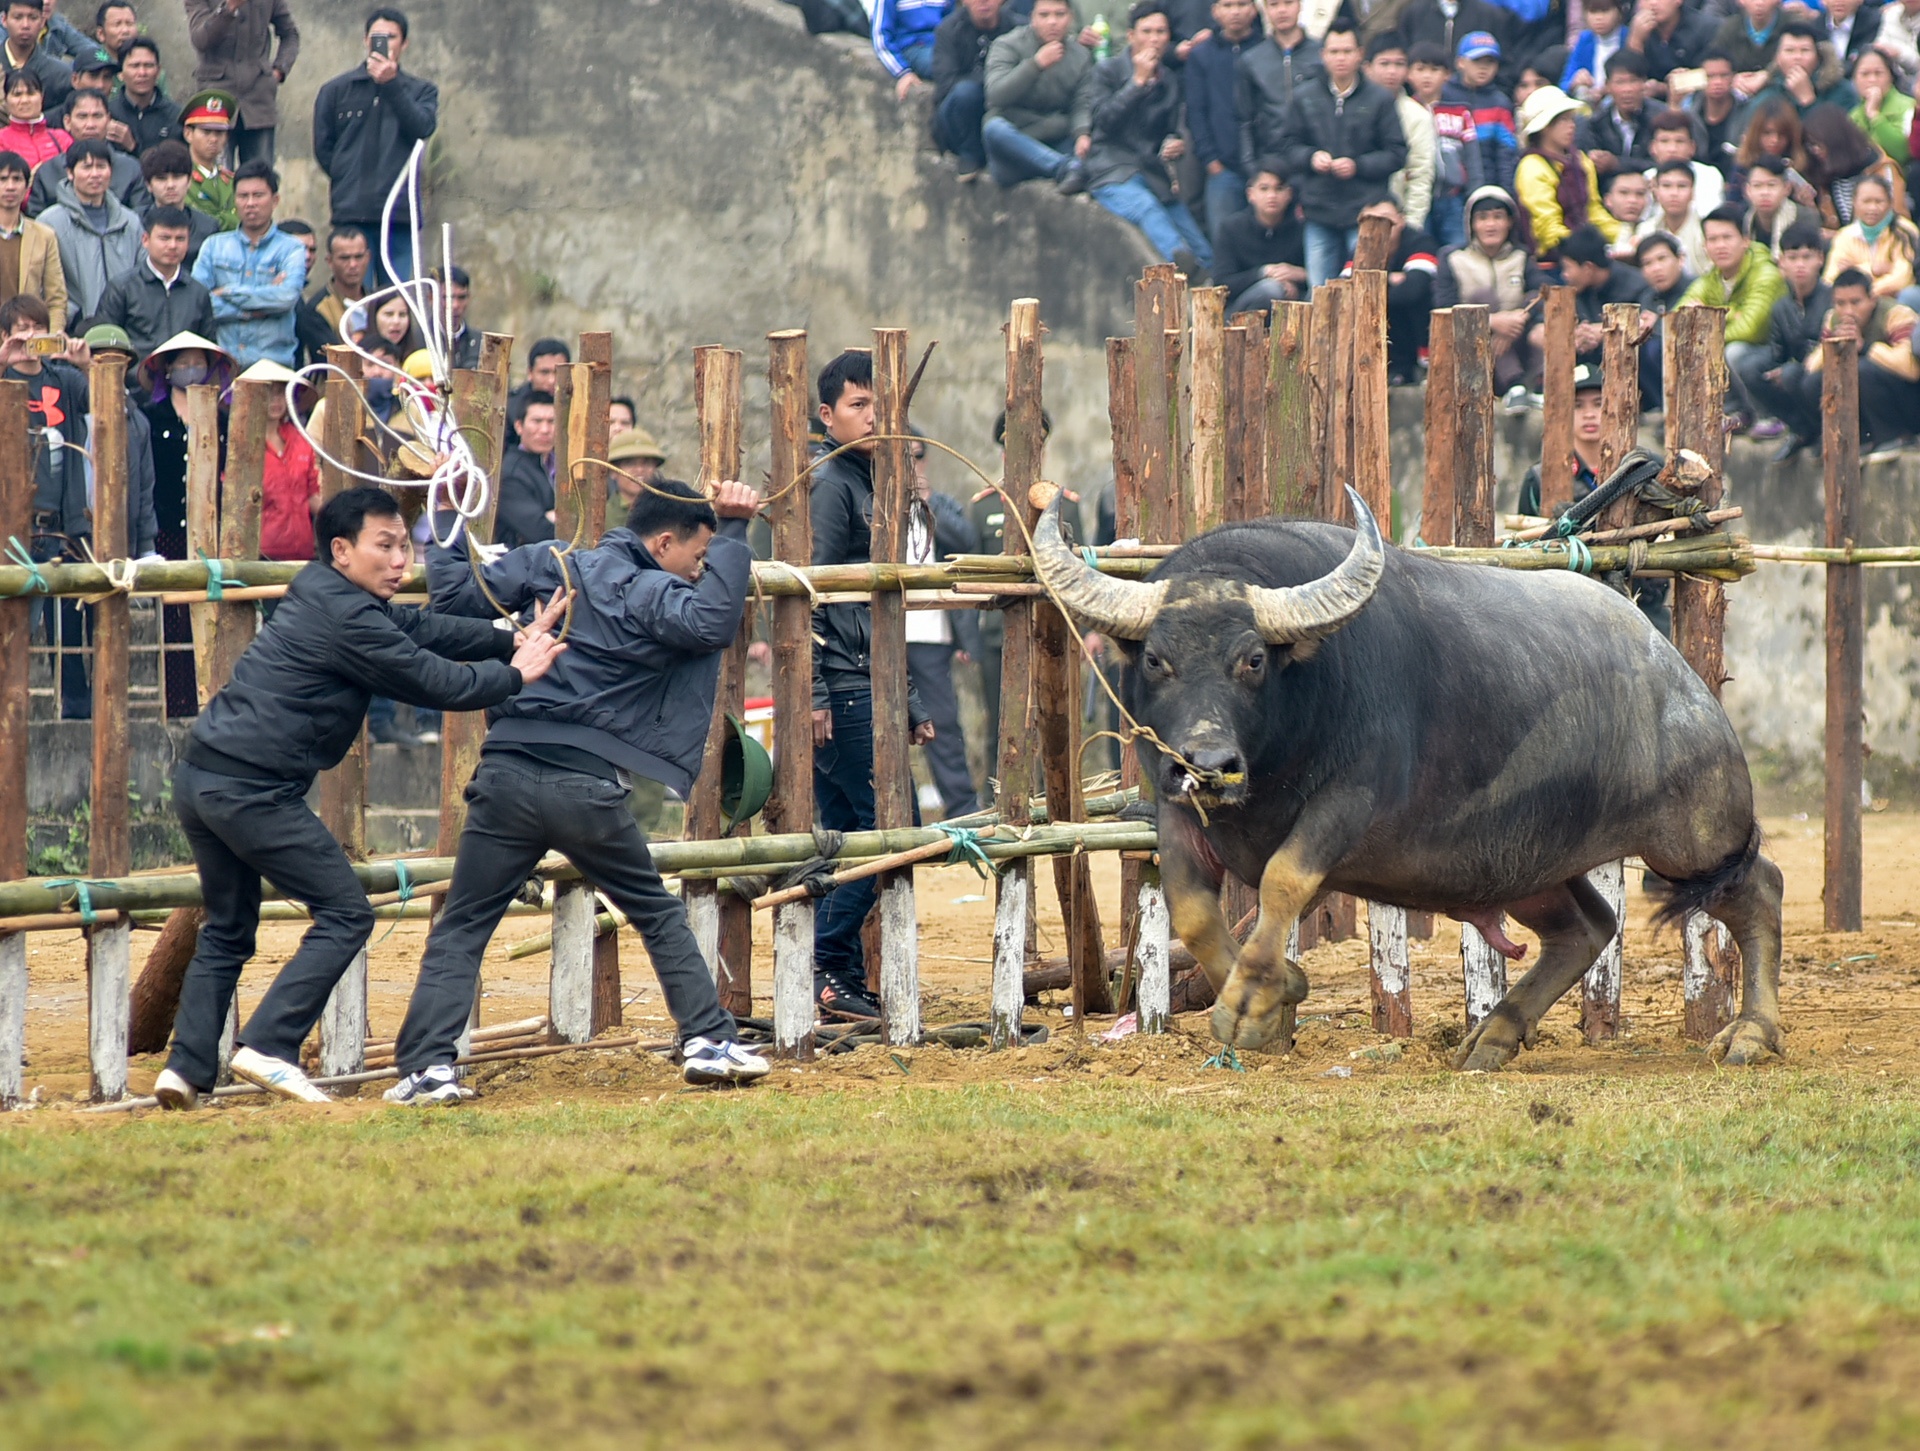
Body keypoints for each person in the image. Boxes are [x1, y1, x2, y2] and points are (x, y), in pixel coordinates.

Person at [146, 488, 569, 1110]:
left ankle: (183, 1071)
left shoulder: (325, 591)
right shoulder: (350, 620)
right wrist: (516, 672)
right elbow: (433, 680)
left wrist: (510, 637)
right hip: (253, 791)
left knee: (229, 927)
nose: (401, 561)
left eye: (405, 546)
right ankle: (269, 1044)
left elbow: (422, 628)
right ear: (341, 550)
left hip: (202, 778)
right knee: (346, 913)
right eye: (385, 546)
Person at [389, 478, 772, 1101]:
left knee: (462, 926)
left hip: (505, 773)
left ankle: (426, 1070)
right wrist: (733, 528)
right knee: (656, 913)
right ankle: (707, 1040)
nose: (700, 571)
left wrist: (450, 515)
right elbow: (711, 623)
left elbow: (455, 594)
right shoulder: (649, 589)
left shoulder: (551, 562)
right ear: (663, 543)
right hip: (586, 787)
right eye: (698, 556)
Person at [809, 349, 933, 1022]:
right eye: (859, 405)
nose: (873, 417)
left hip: (865, 679)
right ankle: (828, 961)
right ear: (827, 415)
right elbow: (809, 592)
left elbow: (884, 608)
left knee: (851, 832)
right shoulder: (832, 483)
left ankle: (838, 979)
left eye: (882, 405)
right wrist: (813, 695)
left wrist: (906, 699)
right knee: (894, 825)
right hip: (844, 685)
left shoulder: (873, 480)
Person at [1516, 365, 1670, 635]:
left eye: (1599, 403)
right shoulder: (1541, 479)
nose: (1589, 414)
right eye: (1577, 406)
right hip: (1567, 615)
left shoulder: (1648, 469)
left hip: (1645, 610)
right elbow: (1525, 555)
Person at [3, 293, 90, 713]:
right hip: (9, 527)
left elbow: (112, 409)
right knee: (10, 622)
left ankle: (74, 709)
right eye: (22, 329)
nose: (30, 337)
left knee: (67, 626)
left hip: (59, 523)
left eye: (38, 328)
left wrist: (86, 365)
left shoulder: (65, 380)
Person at [1083, 2, 1214, 275]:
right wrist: (1137, 83)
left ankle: (1207, 280)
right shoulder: (1108, 70)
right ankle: (1182, 267)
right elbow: (1103, 122)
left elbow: (1169, 129)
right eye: (1147, 31)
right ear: (1131, 35)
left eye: (1161, 32)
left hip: (1152, 173)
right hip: (1112, 169)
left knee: (1203, 250)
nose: (1154, 39)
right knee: (1147, 209)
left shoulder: (1169, 80)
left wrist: (1174, 141)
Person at [313, 8, 437, 285]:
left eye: (391, 37)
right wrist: (347, 174)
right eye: (377, 36)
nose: (384, 43)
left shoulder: (421, 91)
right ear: (366, 40)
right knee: (357, 294)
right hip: (352, 211)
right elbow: (324, 147)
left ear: (404, 43)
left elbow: (423, 128)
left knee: (397, 296)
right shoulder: (336, 90)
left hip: (399, 214)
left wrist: (391, 84)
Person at [1279, 16, 1407, 286]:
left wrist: (1358, 166)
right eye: (1334, 51)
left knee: (1363, 289)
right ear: (1323, 54)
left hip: (1365, 210)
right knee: (1319, 290)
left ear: (1360, 54)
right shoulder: (1304, 96)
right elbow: (1287, 146)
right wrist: (1311, 158)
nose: (1341, 58)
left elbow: (1396, 153)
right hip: (1318, 209)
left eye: (1347, 51)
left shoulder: (1380, 99)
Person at [904, 437, 981, 819]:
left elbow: (968, 541)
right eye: (904, 457)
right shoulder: (871, 503)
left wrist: (926, 501)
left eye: (917, 456)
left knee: (943, 724)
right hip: (878, 635)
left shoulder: (942, 504)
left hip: (932, 636)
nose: (912, 464)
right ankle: (899, 813)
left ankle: (962, 809)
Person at [1681, 204, 1787, 427]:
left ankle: (1766, 417)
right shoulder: (1713, 277)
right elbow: (1678, 315)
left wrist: (1711, 320)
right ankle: (1730, 412)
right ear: (1705, 246)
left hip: (1774, 352)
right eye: (1713, 239)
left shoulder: (1765, 273)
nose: (1720, 245)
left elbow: (1751, 329)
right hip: (1740, 348)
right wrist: (1729, 315)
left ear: (1745, 240)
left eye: (1727, 237)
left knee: (1733, 351)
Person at [190, 157, 302, 367]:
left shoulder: (291, 248)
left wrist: (226, 292)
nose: (250, 203)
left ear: (275, 200)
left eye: (258, 195)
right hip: (223, 366)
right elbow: (197, 303)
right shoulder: (213, 246)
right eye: (243, 196)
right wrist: (255, 306)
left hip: (273, 366)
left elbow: (286, 297)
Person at [1434, 183, 1545, 391]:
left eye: (1498, 217)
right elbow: (1444, 308)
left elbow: (1542, 292)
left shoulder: (1521, 257)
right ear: (1471, 223)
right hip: (1470, 347)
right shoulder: (1454, 259)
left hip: (1515, 338)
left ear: (1510, 222)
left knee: (1541, 326)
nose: (1490, 225)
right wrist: (1492, 322)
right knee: (1482, 297)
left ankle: (1539, 386)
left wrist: (1518, 318)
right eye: (1483, 218)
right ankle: (1514, 385)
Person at [1734, 219, 1829, 455]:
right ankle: (1800, 428)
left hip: (1823, 373)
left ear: (1820, 258)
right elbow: (1778, 352)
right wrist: (1776, 369)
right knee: (1750, 368)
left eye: (1807, 257)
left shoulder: (1832, 298)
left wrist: (1792, 368)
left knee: (1791, 375)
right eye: (1793, 258)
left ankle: (1822, 430)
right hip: (1794, 371)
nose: (1800, 265)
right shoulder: (1782, 307)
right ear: (1782, 262)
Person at [1803, 266, 1920, 454]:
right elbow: (1811, 367)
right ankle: (1859, 439)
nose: (1848, 311)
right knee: (1813, 382)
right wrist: (1835, 345)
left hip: (1906, 397)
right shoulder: (1833, 318)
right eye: (1840, 303)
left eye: (1856, 302)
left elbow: (1910, 369)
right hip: (1868, 398)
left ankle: (1895, 436)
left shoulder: (1896, 314)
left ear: (1872, 299)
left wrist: (1864, 347)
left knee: (1862, 369)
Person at [981, 0, 1094, 190]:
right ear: (1032, 18)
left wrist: (1082, 133)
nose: (1052, 22)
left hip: (1055, 137)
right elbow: (996, 95)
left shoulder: (1080, 55)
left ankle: (1065, 167)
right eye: (1044, 15)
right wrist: (1035, 65)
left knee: (1090, 144)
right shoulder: (1007, 44)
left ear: (1070, 18)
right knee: (993, 128)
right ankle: (1062, 167)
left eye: (1060, 14)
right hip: (1016, 138)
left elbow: (1082, 102)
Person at [89, 203, 214, 360]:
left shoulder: (198, 292)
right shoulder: (122, 288)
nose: (173, 246)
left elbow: (208, 348)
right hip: (134, 374)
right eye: (164, 238)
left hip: (184, 373)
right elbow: (104, 347)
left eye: (180, 239)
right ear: (145, 240)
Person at [1515, 84, 1625, 260]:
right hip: (1552, 261)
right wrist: (1582, 249)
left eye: (1571, 119)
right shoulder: (1532, 166)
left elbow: (1593, 210)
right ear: (1545, 127)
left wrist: (1623, 236)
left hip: (1585, 256)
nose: (1572, 126)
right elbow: (1547, 227)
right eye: (1563, 120)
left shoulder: (1581, 160)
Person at [184, 0, 297, 166]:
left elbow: (290, 34)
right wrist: (229, 8)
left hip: (259, 103)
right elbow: (200, 40)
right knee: (216, 175)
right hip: (216, 102)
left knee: (260, 175)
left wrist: (279, 70)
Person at [1186, 0, 1262, 234]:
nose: (1235, 12)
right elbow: (1196, 110)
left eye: (1242, 4)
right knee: (1223, 237)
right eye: (1227, 5)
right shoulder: (1201, 54)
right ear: (1215, 11)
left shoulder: (1266, 49)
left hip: (1264, 166)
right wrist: (1210, 160)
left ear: (1254, 9)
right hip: (1222, 166)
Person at [1235, 0, 1322, 204]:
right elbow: (1244, 118)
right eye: (1274, 4)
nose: (1282, 10)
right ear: (1265, 9)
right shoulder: (1252, 60)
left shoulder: (1321, 54)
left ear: (1300, 5)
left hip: (1314, 159)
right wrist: (1251, 167)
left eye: (1288, 2)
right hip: (1270, 161)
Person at [42, 136, 136, 324]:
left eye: (101, 167)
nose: (95, 174)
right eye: (87, 167)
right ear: (70, 173)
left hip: (126, 326)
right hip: (74, 326)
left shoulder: (130, 222)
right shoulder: (50, 223)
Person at [1351, 196, 1438, 381]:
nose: (1378, 227)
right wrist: (1389, 279)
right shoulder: (1359, 248)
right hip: (1375, 330)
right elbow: (1346, 291)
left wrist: (1373, 287)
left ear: (1401, 219)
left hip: (1416, 325)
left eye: (1385, 219)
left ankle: (1421, 365)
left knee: (1410, 302)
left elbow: (1413, 290)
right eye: (1369, 221)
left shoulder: (1420, 242)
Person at [244, 355, 319, 560]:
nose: (275, 400)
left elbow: (313, 495)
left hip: (303, 551)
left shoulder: (300, 439)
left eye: (280, 393)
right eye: (267, 393)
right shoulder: (241, 445)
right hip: (259, 555)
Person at [930, 0, 1012, 181]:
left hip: (1005, 107)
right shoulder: (949, 30)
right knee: (965, 93)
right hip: (959, 116)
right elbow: (946, 83)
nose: (983, 1)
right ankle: (970, 155)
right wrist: (990, 79)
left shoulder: (1016, 28)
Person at [25, 88, 140, 214]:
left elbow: (141, 215)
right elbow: (36, 220)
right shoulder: (48, 171)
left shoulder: (130, 168)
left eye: (97, 116)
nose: (90, 125)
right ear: (67, 122)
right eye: (82, 117)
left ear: (108, 120)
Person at [1214, 166, 1309, 312]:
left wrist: (1300, 275)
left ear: (1289, 194)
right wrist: (1263, 273)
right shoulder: (1231, 228)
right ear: (1250, 194)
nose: (1272, 196)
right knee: (1271, 289)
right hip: (1240, 311)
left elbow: (1324, 277)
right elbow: (1221, 283)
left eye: (1279, 189)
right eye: (1264, 189)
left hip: (1293, 308)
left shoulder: (1302, 229)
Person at [1413, 38, 1477, 245]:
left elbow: (1473, 158)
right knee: (1421, 248)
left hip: (1454, 197)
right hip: (1419, 198)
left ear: (1447, 75)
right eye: (1420, 69)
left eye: (1434, 70)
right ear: (1409, 73)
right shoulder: (1404, 109)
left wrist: (1474, 194)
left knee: (1457, 249)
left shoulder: (1460, 111)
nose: (1427, 76)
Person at [1367, 32, 1435, 230]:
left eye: (1399, 64)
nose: (1392, 71)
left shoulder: (1418, 116)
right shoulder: (1353, 108)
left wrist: (1412, 224)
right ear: (1367, 67)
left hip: (1399, 215)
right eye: (1384, 64)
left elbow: (1421, 174)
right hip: (1354, 212)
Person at [1802, 102, 1904, 227]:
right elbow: (1831, 224)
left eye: (1819, 144)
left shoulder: (1880, 168)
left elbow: (1899, 220)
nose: (1816, 150)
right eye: (1811, 145)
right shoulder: (1825, 174)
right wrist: (1811, 207)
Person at [1442, 31, 1516, 199]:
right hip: (1448, 191)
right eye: (1476, 61)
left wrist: (1505, 195)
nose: (1484, 68)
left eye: (1490, 62)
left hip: (1487, 189)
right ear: (1460, 62)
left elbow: (1506, 154)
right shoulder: (1443, 95)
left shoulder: (1500, 103)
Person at [1823, 171, 1916, 298]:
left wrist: (1856, 275)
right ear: (1854, 202)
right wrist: (1871, 269)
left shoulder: (1905, 231)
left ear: (1890, 203)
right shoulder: (1845, 236)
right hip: (1852, 302)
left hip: (1893, 299)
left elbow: (1903, 278)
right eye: (1866, 202)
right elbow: (1830, 279)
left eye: (1879, 201)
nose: (1872, 208)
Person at [0, 147, 65, 317]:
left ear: (26, 186)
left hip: (29, 328)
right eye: (3, 179)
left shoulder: (44, 235)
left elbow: (56, 298)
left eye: (17, 179)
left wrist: (53, 331)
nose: (10, 187)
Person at [295, 223, 368, 364]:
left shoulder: (377, 301)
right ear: (329, 261)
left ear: (368, 257)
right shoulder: (316, 309)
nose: (353, 265)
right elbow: (332, 359)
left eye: (358, 257)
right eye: (344, 258)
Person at [1575, 49, 1653, 179]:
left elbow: (1664, 163)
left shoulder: (1659, 118)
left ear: (1644, 83)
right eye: (1620, 82)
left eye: (1633, 81)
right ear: (1607, 86)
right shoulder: (1595, 123)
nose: (1627, 89)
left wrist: (1618, 164)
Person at [138, 140, 217, 267]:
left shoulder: (208, 228)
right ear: (148, 185)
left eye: (177, 177)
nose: (170, 185)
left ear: (189, 181)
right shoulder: (135, 223)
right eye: (162, 178)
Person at [1750, 21, 1856, 116]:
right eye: (1789, 50)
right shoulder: (1768, 92)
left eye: (1805, 50)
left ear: (1818, 56)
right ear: (1778, 57)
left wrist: (1808, 101)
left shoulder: (1840, 91)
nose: (1797, 57)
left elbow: (1839, 130)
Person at [496, 387, 556, 550]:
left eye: (552, 421)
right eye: (537, 421)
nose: (545, 430)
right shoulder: (510, 472)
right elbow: (540, 531)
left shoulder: (563, 464)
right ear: (519, 426)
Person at [1642, 107, 1724, 214]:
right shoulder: (1645, 178)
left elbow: (1709, 214)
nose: (1672, 149)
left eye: (1679, 141)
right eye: (1664, 141)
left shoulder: (1709, 175)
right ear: (1652, 147)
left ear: (1692, 147)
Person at [108, 36, 179, 156]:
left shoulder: (175, 116)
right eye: (135, 66)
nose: (142, 73)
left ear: (158, 71)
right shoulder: (109, 114)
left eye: (149, 65)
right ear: (121, 73)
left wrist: (132, 147)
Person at [1685, 51, 1749, 180]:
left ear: (1733, 77)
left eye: (1724, 75)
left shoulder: (1747, 110)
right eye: (1710, 76)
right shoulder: (1689, 111)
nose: (1717, 82)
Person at [1636, 158, 1709, 272]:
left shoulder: (1706, 230)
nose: (1674, 193)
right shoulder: (1646, 230)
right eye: (1666, 186)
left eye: (1682, 186)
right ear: (1656, 191)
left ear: (1692, 192)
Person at [178, 87, 235, 229]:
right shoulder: (180, 178)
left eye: (219, 133)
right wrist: (228, 220)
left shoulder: (231, 181)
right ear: (188, 134)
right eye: (206, 132)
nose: (214, 139)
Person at [1623, 0, 1717, 87]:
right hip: (1647, 96)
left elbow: (1713, 74)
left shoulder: (1706, 28)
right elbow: (1628, 79)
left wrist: (1665, 88)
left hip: (1696, 95)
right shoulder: (1636, 28)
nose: (1653, 3)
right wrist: (1636, 41)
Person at [1396, 0, 1508, 73]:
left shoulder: (1488, 15)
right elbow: (1402, 53)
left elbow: (1505, 60)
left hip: (1474, 94)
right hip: (1419, 96)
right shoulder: (1414, 12)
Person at [1, 0, 71, 114]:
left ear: (42, 21)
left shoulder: (60, 75)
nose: (25, 25)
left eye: (33, 18)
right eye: (18, 17)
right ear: (4, 19)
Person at [1849, 48, 1913, 170]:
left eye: (1878, 73)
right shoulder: (1853, 116)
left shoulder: (1908, 107)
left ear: (1891, 76)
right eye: (1864, 74)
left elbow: (1902, 152)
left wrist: (1874, 114)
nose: (1872, 80)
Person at [874, 0, 947, 98]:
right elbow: (880, 37)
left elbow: (951, 23)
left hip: (941, 44)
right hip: (913, 47)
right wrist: (903, 72)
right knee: (945, 65)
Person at [506, 335, 568, 446]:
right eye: (544, 372)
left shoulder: (578, 405)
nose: (551, 380)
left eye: (558, 372)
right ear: (530, 373)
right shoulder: (510, 408)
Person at [0, 68, 67, 170]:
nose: (24, 100)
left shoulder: (62, 138)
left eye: (31, 93)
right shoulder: (2, 140)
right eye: (17, 94)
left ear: (42, 96)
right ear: (6, 99)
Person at [1562, 0, 1626, 101]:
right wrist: (1575, 81)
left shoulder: (1629, 37)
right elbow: (1564, 83)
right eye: (1593, 11)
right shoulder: (1584, 39)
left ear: (1619, 12)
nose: (1598, 18)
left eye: (1605, 11)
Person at [1713, 0, 1786, 84]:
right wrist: (1731, 78)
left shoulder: (1792, 24)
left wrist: (1769, 75)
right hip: (1738, 87)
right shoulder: (1729, 28)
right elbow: (1715, 60)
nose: (1759, 3)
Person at [607, 426, 667, 527]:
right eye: (630, 463)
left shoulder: (669, 512)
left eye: (646, 463)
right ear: (613, 471)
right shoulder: (603, 516)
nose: (640, 470)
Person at [42, 39, 109, 130]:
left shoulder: (119, 117)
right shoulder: (47, 123)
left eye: (107, 77)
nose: (100, 85)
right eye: (93, 76)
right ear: (75, 80)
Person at [1743, 153, 1801, 255]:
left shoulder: (1803, 218)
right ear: (1748, 190)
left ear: (1787, 189)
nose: (1765, 192)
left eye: (1771, 185)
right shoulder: (1743, 220)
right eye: (1757, 185)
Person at [1635, 228, 1695, 312]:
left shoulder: (1699, 289)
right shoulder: (1646, 299)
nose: (1656, 268)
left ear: (1680, 259)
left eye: (1662, 258)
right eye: (1647, 263)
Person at [1602, 166, 1650, 256]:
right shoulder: (1596, 236)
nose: (1633, 200)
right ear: (1608, 200)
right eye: (1624, 192)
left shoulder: (1653, 231)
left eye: (1640, 193)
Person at [438, 262, 477, 369]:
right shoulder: (417, 341)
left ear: (469, 298)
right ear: (431, 298)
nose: (455, 305)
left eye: (461, 297)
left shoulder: (480, 344)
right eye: (448, 298)